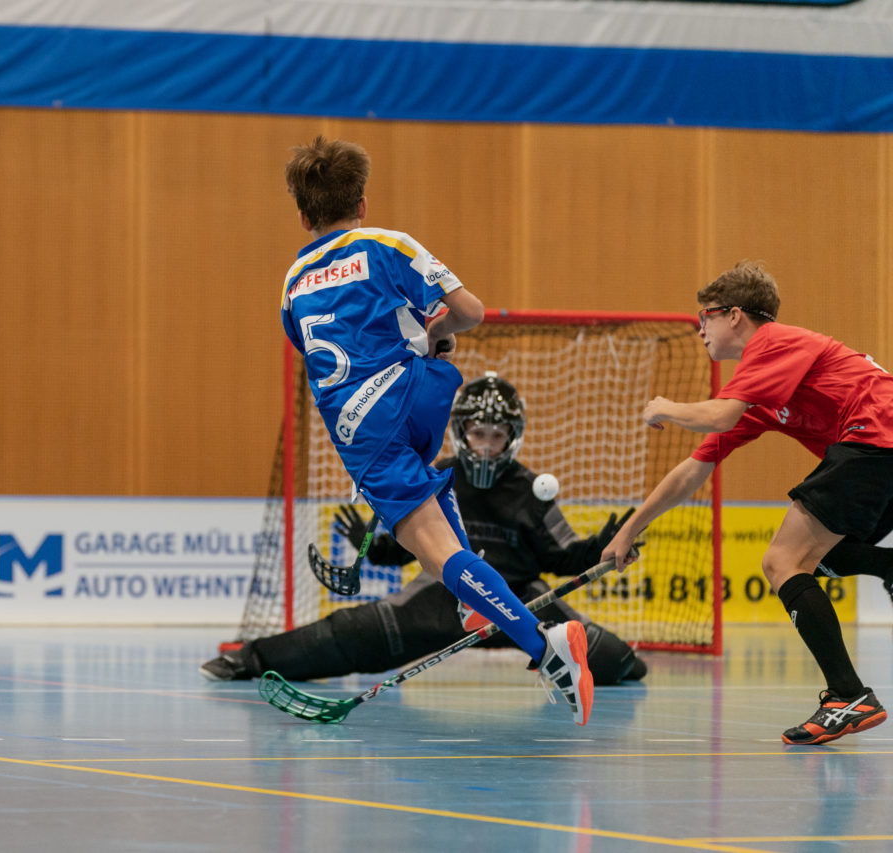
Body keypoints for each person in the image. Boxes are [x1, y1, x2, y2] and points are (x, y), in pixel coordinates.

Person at [273, 137, 595, 725]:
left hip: (363, 428)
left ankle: (548, 647)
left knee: (437, 554)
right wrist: (429, 335)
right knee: (434, 534)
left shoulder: (293, 279)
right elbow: (468, 311)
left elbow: (314, 351)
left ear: (302, 215)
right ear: (362, 204)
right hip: (422, 390)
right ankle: (476, 607)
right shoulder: (386, 243)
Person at [602, 260, 893, 745]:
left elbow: (716, 416)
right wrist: (629, 528)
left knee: (782, 561)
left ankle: (848, 696)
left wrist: (664, 407)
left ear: (735, 315)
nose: (700, 332)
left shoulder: (774, 342)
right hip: (879, 448)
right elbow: (693, 470)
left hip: (874, 438)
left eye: (704, 319)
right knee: (820, 556)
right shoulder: (760, 388)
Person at [201, 373, 648, 686]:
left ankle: (587, 660)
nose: (487, 447)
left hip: (520, 602)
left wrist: (598, 548)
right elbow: (405, 549)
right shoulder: (436, 476)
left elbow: (559, 557)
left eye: (497, 436)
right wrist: (374, 547)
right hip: (438, 599)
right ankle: (250, 659)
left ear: (512, 436)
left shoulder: (533, 489)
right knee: (350, 632)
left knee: (620, 662)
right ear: (460, 433)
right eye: (479, 435)